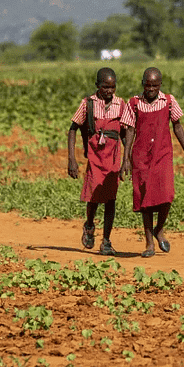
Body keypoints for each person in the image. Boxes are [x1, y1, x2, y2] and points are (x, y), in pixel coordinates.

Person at [120, 67, 184, 257]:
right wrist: (126, 159)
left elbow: (177, 127)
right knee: (145, 199)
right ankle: (149, 243)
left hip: (163, 154)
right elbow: (130, 131)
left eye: (155, 85)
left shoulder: (169, 101)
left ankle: (159, 229)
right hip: (141, 156)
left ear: (160, 84)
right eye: (148, 85)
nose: (151, 89)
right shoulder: (134, 103)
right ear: (143, 84)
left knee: (167, 194)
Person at [67, 67, 126, 256]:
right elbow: (73, 129)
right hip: (95, 157)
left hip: (113, 158)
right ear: (97, 85)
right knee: (93, 197)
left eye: (112, 87)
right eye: (105, 87)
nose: (109, 91)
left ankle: (106, 241)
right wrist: (72, 159)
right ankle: (89, 225)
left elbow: (125, 134)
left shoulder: (120, 104)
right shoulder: (88, 104)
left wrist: (128, 159)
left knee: (110, 199)